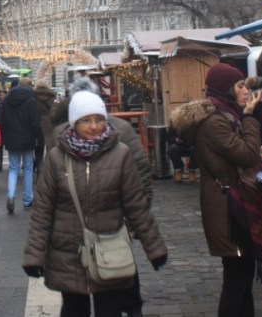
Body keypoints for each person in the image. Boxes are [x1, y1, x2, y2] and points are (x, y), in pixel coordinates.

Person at [23, 91, 168, 317]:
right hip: (68, 251)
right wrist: (34, 256)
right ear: (74, 123)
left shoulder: (120, 154)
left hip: (108, 248)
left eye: (99, 119)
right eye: (86, 120)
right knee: (74, 311)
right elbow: (43, 210)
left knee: (109, 310)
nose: (94, 126)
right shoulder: (56, 158)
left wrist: (155, 249)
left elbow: (136, 206)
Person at [170, 63, 262, 317]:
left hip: (233, 198)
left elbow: (233, 153)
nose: (246, 91)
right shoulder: (215, 121)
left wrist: (257, 151)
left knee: (243, 277)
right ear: (225, 88)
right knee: (236, 279)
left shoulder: (225, 115)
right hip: (228, 204)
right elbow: (244, 154)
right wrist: (250, 118)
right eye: (240, 86)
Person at [49, 77, 153, 316]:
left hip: (98, 223)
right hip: (88, 225)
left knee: (104, 281)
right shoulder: (62, 134)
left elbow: (140, 172)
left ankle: (131, 306)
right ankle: (132, 307)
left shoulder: (117, 129)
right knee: (111, 275)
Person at [0, 76, 44, 214]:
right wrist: (38, 139)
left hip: (11, 138)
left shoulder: (7, 99)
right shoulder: (32, 100)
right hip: (28, 138)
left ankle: (11, 195)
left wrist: (4, 136)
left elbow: (1, 119)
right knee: (28, 169)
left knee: (13, 168)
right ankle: (27, 199)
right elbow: (35, 122)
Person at [32, 79, 57, 174]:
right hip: (50, 121)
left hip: (38, 121)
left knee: (39, 145)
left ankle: (39, 164)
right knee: (49, 144)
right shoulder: (52, 96)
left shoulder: (33, 96)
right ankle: (48, 165)